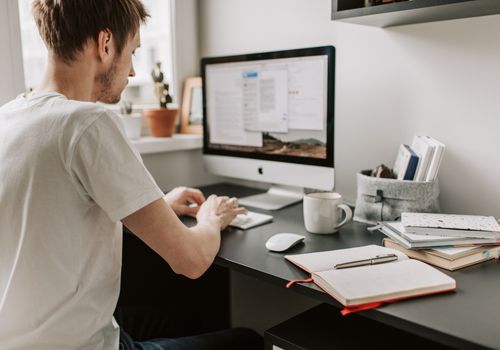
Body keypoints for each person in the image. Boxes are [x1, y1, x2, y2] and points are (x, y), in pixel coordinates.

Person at [0, 0, 263, 349]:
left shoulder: (9, 117)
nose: (134, 71)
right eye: (133, 52)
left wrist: (156, 207)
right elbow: (193, 261)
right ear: (105, 44)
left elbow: (53, 216)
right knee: (245, 340)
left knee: (172, 318)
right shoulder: (88, 123)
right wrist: (211, 220)